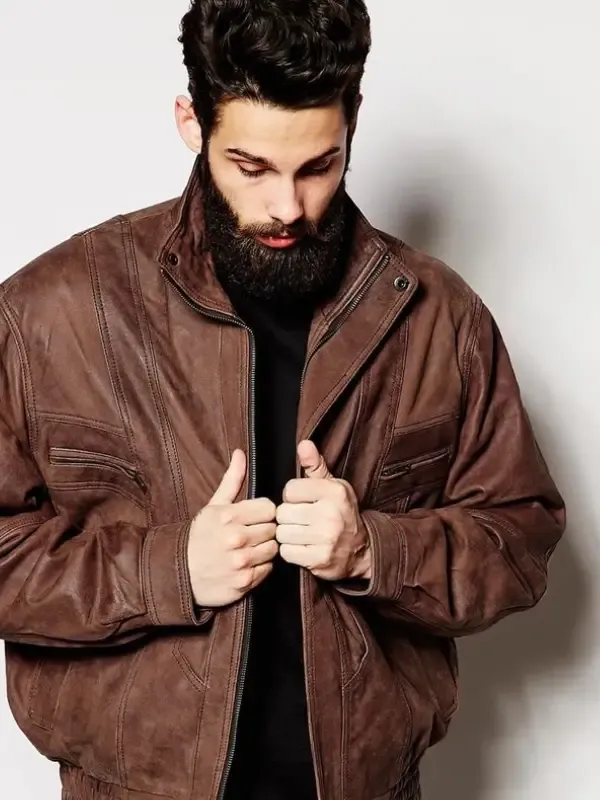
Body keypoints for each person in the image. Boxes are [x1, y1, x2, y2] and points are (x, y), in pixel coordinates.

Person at [0, 1, 565, 799]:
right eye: (252, 167)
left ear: (353, 124)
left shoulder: (439, 317)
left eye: (318, 167)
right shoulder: (52, 311)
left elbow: (519, 541)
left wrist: (372, 551)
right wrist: (170, 569)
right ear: (191, 124)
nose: (288, 208)